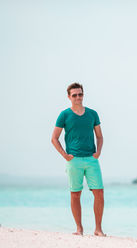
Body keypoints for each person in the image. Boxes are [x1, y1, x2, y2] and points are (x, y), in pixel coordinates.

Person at [51, 82, 106, 236]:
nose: (77, 97)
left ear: (83, 95)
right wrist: (65, 155)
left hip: (91, 159)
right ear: (69, 97)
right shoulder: (64, 115)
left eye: (80, 94)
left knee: (99, 193)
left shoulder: (92, 114)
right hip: (73, 160)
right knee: (75, 193)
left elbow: (100, 136)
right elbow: (54, 138)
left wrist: (98, 152)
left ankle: (98, 229)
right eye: (74, 95)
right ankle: (79, 229)